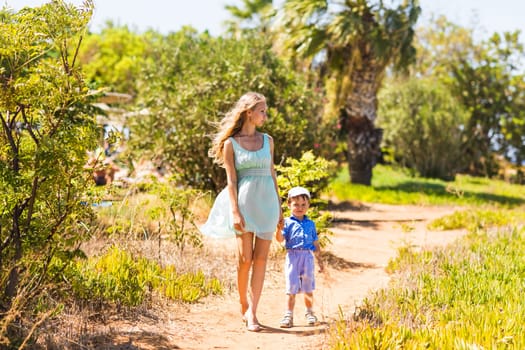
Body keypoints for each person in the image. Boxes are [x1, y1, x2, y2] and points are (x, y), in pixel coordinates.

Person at [200, 92, 283, 332]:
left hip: (267, 203)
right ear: (249, 112)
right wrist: (235, 212)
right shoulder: (231, 144)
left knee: (261, 259)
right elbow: (231, 181)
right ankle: (243, 302)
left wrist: (279, 209)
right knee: (245, 259)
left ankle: (253, 312)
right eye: (262, 111)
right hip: (244, 207)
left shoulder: (268, 140)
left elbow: (272, 174)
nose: (265, 115)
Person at [275, 186, 324, 328]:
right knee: (291, 287)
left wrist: (320, 261)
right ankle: (288, 315)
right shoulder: (287, 222)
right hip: (293, 257)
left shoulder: (310, 223)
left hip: (307, 257)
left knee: (308, 287)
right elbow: (279, 239)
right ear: (289, 205)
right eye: (296, 204)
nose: (300, 208)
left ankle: (309, 313)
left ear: (308, 205)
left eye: (303, 204)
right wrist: (278, 229)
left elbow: (315, 242)